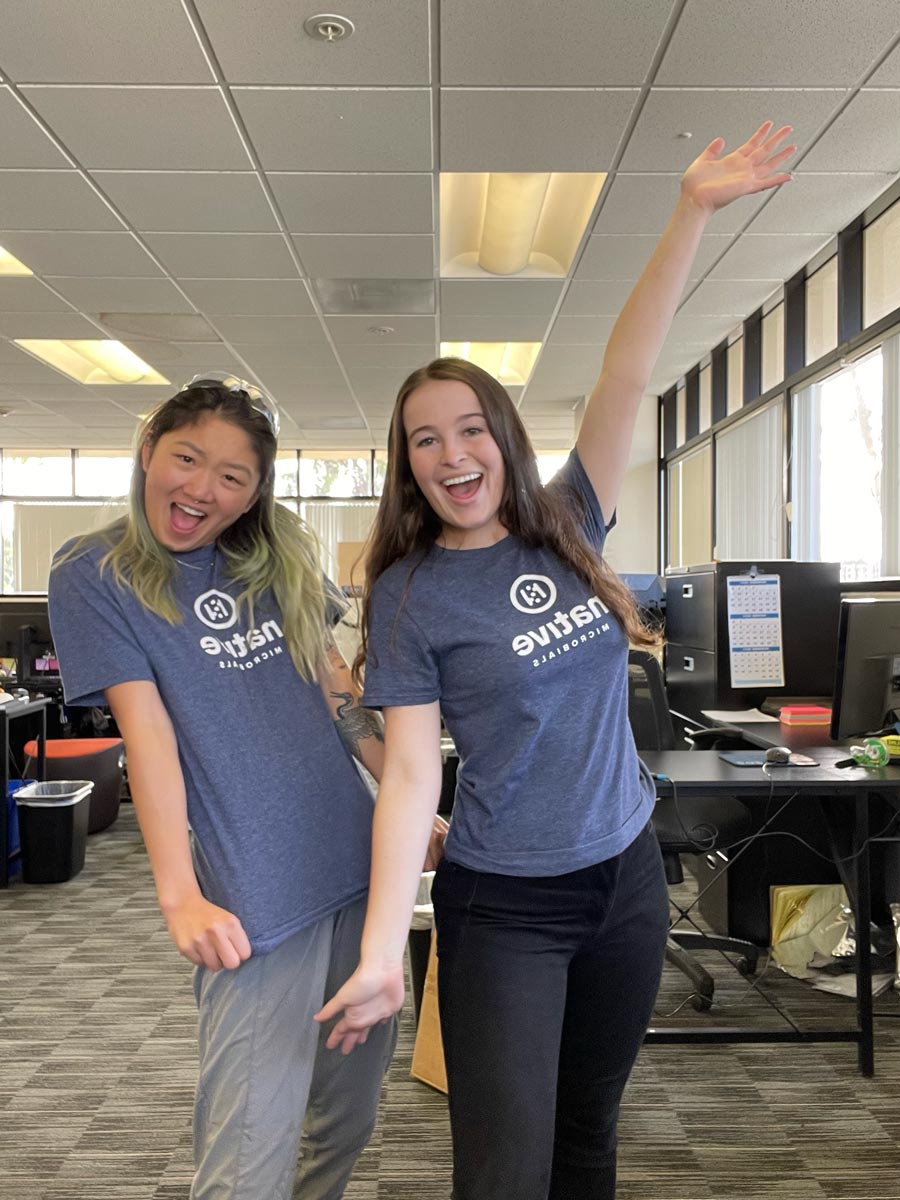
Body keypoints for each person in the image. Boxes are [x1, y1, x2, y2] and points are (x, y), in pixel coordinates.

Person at [316, 122, 796, 1199]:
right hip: (507, 905)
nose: (453, 454)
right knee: (504, 1171)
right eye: (425, 440)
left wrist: (691, 211)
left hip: (626, 877)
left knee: (588, 1138)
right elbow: (409, 773)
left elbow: (628, 369)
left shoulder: (571, 519)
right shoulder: (410, 592)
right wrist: (385, 949)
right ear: (407, 466)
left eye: (470, 429)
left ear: (503, 437)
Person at [48, 373, 410, 1200]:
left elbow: (337, 694)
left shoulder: (276, 559)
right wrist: (179, 894)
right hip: (257, 900)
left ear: (253, 494)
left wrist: (406, 800)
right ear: (148, 451)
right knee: (249, 1156)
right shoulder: (95, 572)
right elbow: (149, 740)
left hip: (360, 868)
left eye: (232, 475)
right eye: (187, 458)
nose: (201, 488)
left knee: (344, 1124)